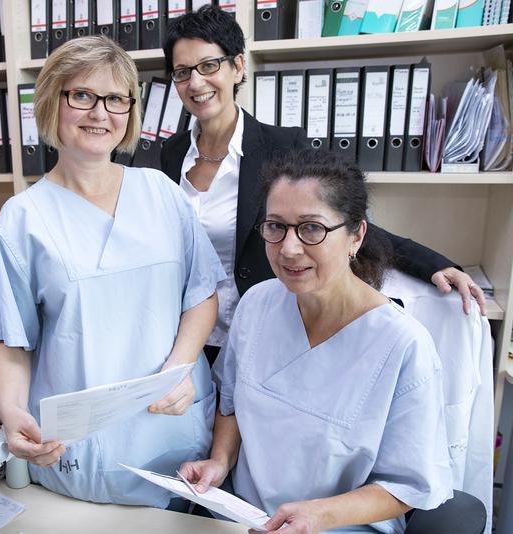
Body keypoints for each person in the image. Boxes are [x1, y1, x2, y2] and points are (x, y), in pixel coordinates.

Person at [160, 6, 487, 364]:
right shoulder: (169, 155)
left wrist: (432, 264)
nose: (195, 83)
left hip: (262, 330)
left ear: (238, 66)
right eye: (182, 72)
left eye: (209, 66)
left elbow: (341, 224)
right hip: (189, 333)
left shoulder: (281, 147)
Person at [179, 149, 478, 534]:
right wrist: (220, 461)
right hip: (242, 518)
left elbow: (408, 485)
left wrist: (320, 515)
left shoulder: (402, 345)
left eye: (311, 228)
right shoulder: (257, 304)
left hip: (336, 527)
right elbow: (232, 402)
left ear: (356, 235)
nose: (288, 248)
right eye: (275, 227)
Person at [0, 35, 226, 508]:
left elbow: (201, 296)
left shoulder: (161, 192)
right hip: (75, 451)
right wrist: (13, 412)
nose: (100, 113)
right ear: (54, 102)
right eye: (82, 95)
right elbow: (12, 340)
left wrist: (178, 370)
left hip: (171, 432)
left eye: (116, 98)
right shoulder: (23, 217)